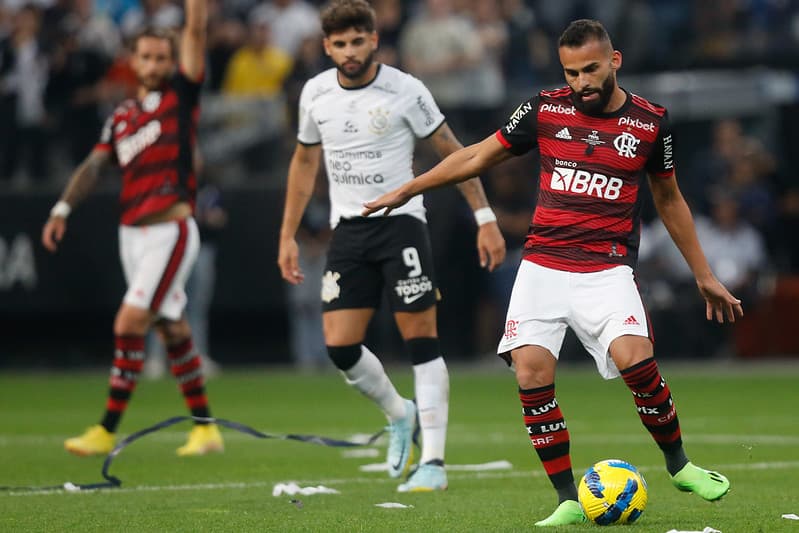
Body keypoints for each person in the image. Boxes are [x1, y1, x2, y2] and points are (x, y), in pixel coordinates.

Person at [364, 19, 742, 525]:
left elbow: (669, 199)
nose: (581, 82)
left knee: (637, 361)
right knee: (531, 375)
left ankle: (679, 464)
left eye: (590, 69)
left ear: (614, 61)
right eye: (571, 72)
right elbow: (477, 154)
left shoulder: (651, 124)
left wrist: (704, 273)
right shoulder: (546, 107)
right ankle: (567, 497)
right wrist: (411, 187)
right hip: (542, 264)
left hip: (606, 269)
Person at [277, 0, 506, 492]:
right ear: (326, 47)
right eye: (339, 44)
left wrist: (484, 217)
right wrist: (287, 236)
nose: (350, 52)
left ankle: (435, 464)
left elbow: (456, 155)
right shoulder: (315, 93)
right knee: (339, 347)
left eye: (358, 41)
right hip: (349, 231)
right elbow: (302, 163)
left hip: (402, 225)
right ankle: (399, 412)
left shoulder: (406, 90)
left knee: (422, 343)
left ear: (374, 40)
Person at [41, 0, 224, 458]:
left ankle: (106, 429)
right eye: (147, 57)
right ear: (133, 60)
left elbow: (197, 34)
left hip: (170, 230)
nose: (155, 64)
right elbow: (94, 165)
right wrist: (63, 207)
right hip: (132, 236)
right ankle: (205, 429)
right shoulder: (122, 116)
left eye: (163, 57)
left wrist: (194, 13)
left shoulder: (181, 99)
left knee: (129, 321)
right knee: (173, 328)